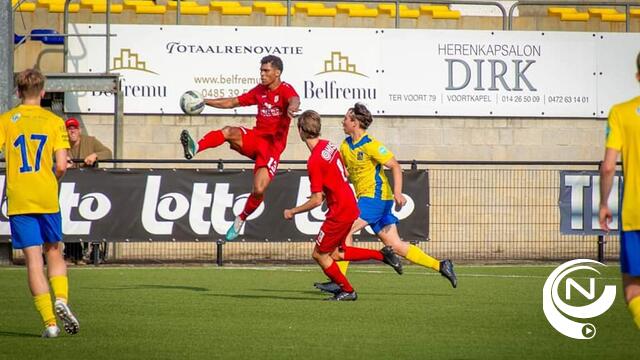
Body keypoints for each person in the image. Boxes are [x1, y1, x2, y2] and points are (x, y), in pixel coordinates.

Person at [314, 103, 457, 295]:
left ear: (355, 123)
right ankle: (441, 265)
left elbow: (395, 166)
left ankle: (340, 281)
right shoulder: (346, 145)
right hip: (368, 200)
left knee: (344, 229)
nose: (343, 121)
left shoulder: (371, 144)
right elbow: (344, 172)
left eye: (347, 118)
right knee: (396, 246)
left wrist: (398, 193)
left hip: (376, 198)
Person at [284, 110, 403, 301]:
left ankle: (347, 290)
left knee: (319, 255)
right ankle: (382, 255)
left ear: (300, 131)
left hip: (339, 210)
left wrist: (293, 211)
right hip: (348, 203)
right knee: (337, 253)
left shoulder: (314, 160)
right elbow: (333, 179)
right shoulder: (328, 145)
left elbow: (316, 200)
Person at [181, 55, 300, 241]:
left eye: (266, 71)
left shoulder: (285, 90)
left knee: (259, 190)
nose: (262, 74)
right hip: (256, 138)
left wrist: (292, 108)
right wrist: (205, 102)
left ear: (277, 73)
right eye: (261, 70)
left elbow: (294, 99)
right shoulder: (260, 91)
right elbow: (232, 102)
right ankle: (196, 148)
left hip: (272, 147)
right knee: (228, 131)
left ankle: (240, 218)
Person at [0, 69, 79, 337]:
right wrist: (50, 179)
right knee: (54, 251)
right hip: (47, 196)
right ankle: (62, 300)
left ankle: (50, 324)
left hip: (20, 198)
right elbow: (61, 165)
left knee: (34, 261)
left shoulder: (7, 120)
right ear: (43, 93)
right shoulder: (54, 121)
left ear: (18, 92)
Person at [599, 51, 640, 329]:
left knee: (634, 290)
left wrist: (604, 203)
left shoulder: (621, 113)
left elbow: (609, 166)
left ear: (637, 76)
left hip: (635, 215)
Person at [64, 117, 112, 264]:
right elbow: (51, 155)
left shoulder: (90, 141)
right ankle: (73, 253)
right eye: (69, 128)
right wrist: (61, 159)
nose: (71, 131)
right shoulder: (61, 144)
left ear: (79, 130)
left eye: (74, 128)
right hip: (70, 190)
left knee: (92, 220)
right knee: (68, 218)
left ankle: (93, 253)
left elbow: (108, 153)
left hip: (90, 189)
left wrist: (95, 155)